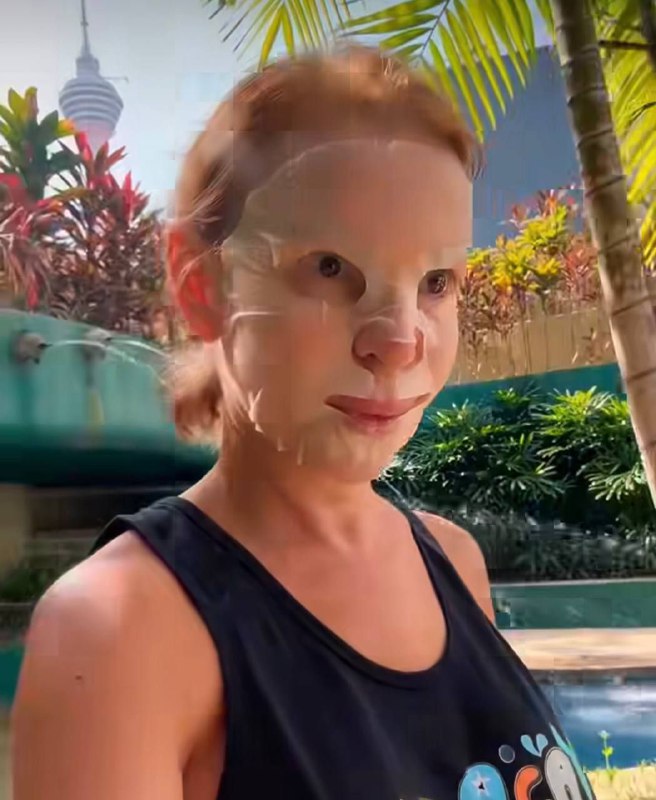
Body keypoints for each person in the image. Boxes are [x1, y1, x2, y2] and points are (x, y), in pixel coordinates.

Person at [11, 44, 595, 800]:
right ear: (200, 284)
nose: (400, 339)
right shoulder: (119, 632)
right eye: (328, 267)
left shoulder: (453, 562)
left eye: (436, 281)